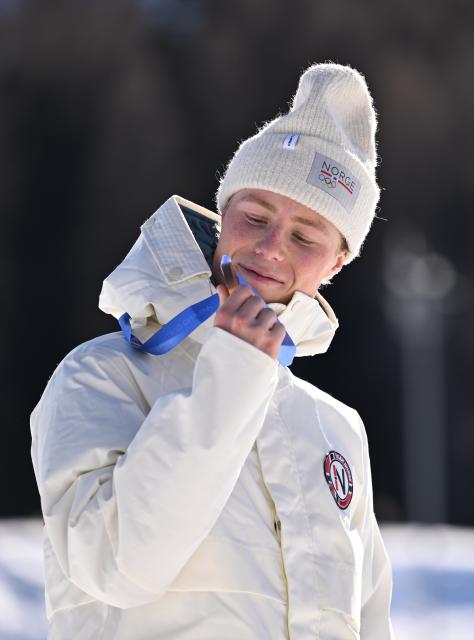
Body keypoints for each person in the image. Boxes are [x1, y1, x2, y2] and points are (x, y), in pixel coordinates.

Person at [31, 63, 395, 639]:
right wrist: (234, 374)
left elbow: (368, 625)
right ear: (222, 215)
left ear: (337, 263)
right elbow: (118, 566)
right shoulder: (99, 376)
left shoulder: (336, 429)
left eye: (305, 236)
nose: (271, 248)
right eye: (254, 216)